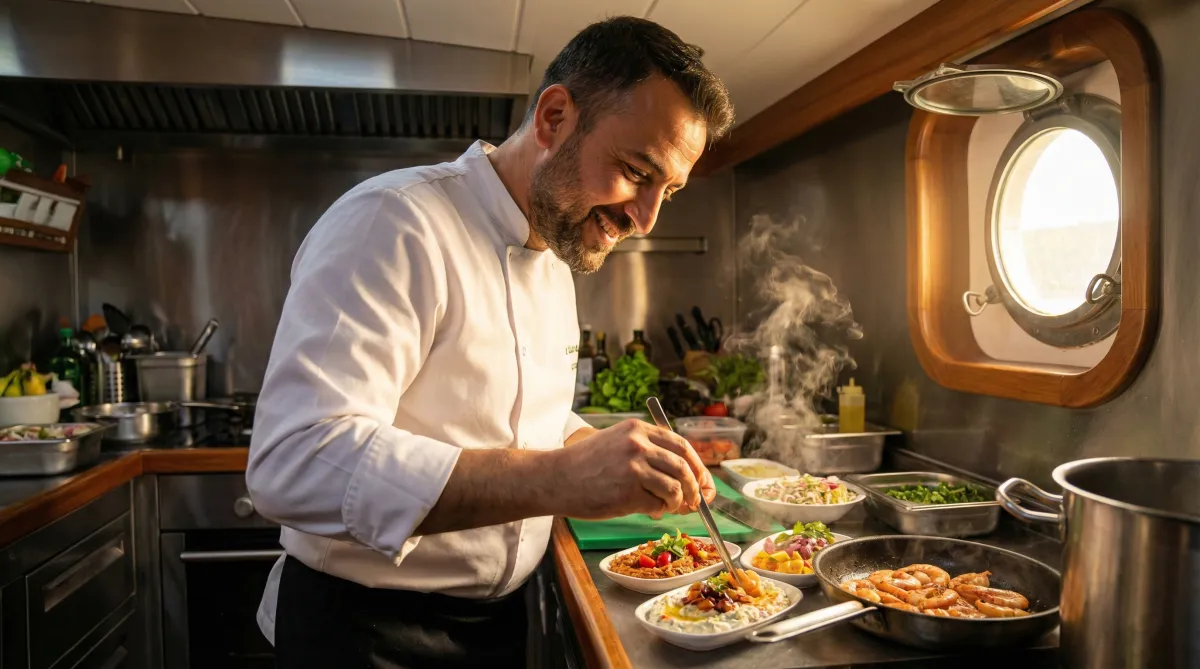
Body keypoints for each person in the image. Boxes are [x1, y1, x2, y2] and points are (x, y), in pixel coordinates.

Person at [246, 15, 734, 669]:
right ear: (555, 116)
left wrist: (605, 453)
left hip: (496, 626)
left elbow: (513, 411)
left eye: (666, 192)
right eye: (635, 170)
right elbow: (294, 461)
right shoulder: (394, 223)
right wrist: (559, 477)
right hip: (363, 632)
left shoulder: (558, 255)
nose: (643, 220)